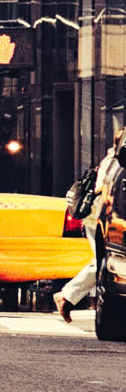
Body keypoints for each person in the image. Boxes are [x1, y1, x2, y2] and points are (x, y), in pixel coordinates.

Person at [55, 124, 124, 323]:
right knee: (103, 262)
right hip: (100, 218)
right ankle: (67, 296)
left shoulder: (111, 160)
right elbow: (102, 187)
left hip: (102, 217)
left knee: (102, 262)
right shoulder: (113, 162)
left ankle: (67, 296)